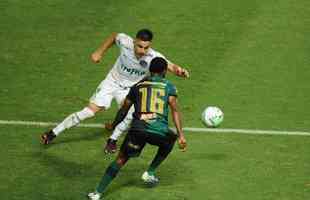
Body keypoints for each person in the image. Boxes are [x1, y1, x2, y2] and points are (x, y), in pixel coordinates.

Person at [40, 29, 189, 145]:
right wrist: (99, 52)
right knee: (89, 112)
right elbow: (114, 37)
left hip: (129, 89)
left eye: (146, 47)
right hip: (111, 82)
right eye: (140, 46)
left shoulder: (153, 56)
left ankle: (113, 132)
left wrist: (180, 71)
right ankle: (53, 132)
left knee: (131, 115)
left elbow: (169, 65)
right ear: (134, 41)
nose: (143, 51)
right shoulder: (125, 41)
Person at [88, 57, 187, 200]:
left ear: (150, 70)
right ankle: (150, 173)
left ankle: (97, 192)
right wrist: (181, 135)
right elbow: (175, 111)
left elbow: (123, 110)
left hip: (137, 130)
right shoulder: (168, 86)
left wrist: (113, 125)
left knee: (121, 159)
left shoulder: (137, 87)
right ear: (165, 71)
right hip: (158, 131)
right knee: (171, 139)